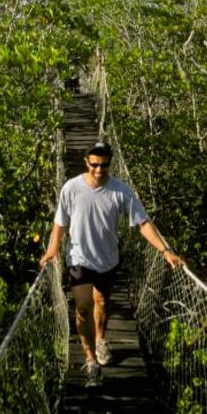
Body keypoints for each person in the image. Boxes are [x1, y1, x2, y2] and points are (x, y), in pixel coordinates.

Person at [39, 141, 185, 387]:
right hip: (79, 258)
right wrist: (53, 248)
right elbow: (60, 222)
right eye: (94, 165)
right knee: (83, 307)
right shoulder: (71, 188)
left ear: (110, 164)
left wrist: (165, 250)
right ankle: (90, 359)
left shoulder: (121, 191)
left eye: (104, 166)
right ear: (86, 162)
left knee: (102, 302)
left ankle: (100, 340)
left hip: (108, 259)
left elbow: (142, 223)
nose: (99, 170)